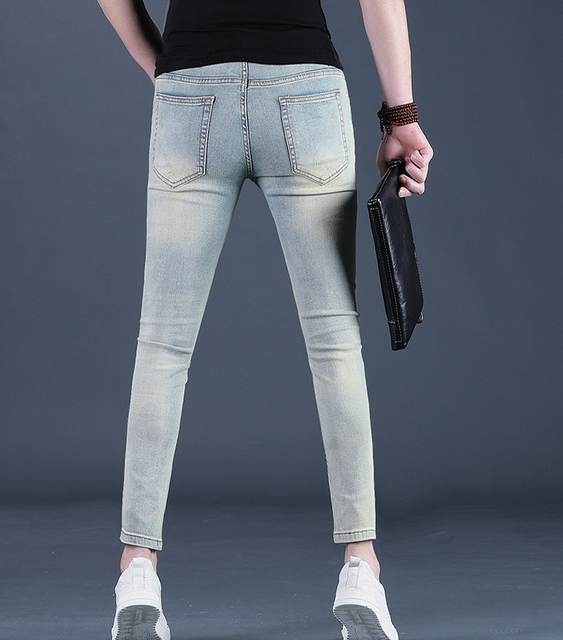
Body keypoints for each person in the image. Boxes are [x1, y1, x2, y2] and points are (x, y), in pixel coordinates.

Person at [96, 1, 433, 639]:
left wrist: (169, 68)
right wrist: (402, 116)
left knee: (163, 345)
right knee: (334, 341)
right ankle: (360, 566)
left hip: (191, 86)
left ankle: (137, 569)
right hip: (304, 88)